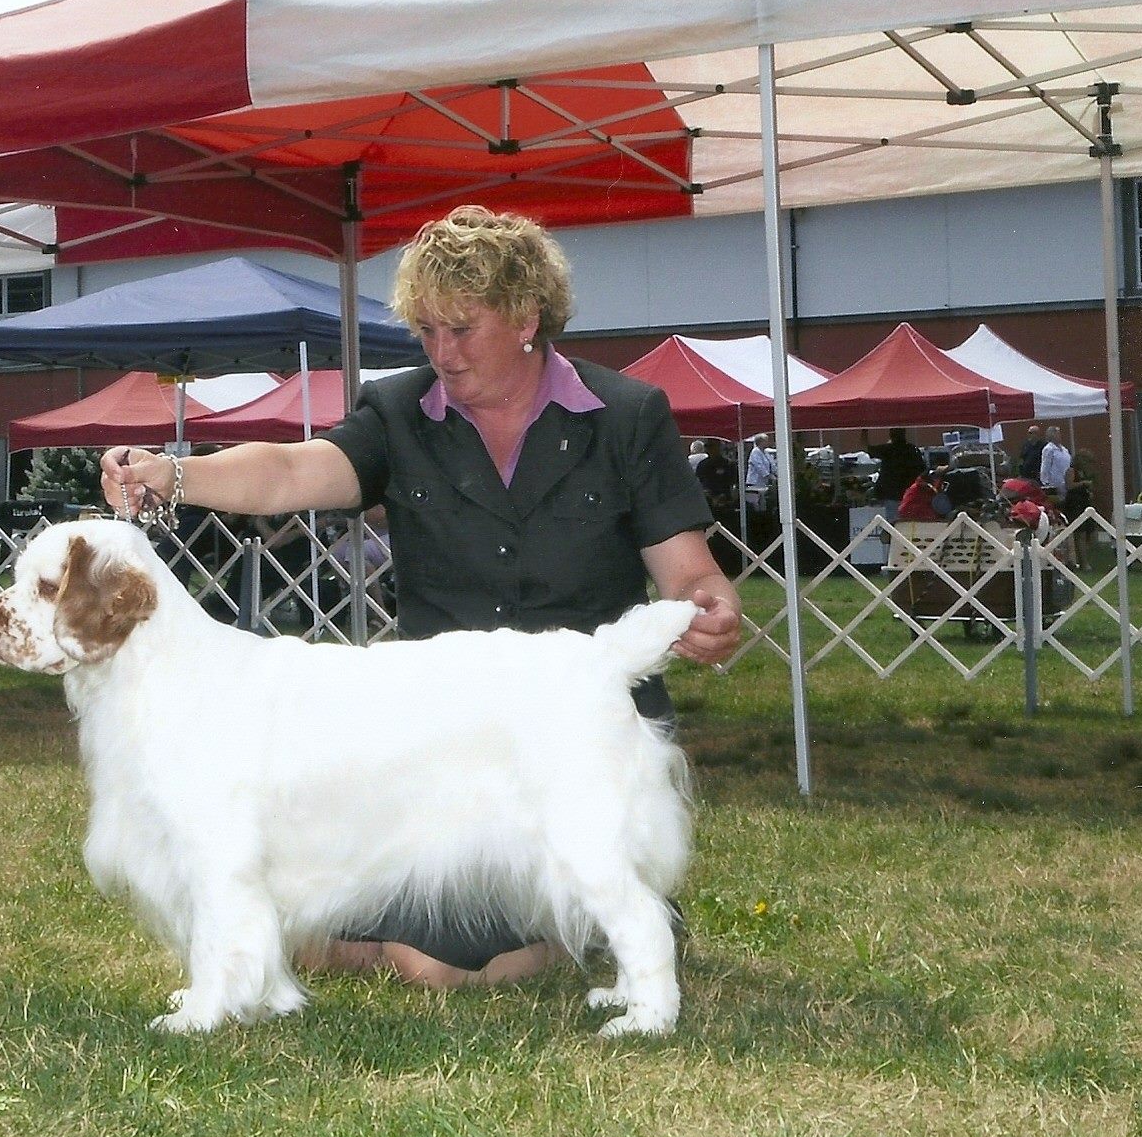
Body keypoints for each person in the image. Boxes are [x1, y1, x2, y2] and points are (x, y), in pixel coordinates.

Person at [103, 205, 741, 992]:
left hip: (567, 733)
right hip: (431, 748)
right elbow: (291, 472)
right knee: (304, 922)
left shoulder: (626, 416)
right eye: (427, 331)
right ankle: (552, 911)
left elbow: (690, 574)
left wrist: (708, 608)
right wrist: (177, 473)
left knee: (428, 964)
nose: (442, 352)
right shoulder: (399, 412)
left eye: (462, 329)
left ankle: (610, 909)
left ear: (525, 318)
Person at [869, 428, 925, 522]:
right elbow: (922, 470)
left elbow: (866, 448)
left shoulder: (888, 449)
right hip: (909, 493)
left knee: (893, 524)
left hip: (892, 493)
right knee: (908, 523)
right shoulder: (912, 449)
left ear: (891, 435)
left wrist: (864, 430)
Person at [695, 439, 738, 516]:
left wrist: (729, 496)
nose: (709, 449)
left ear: (719, 447)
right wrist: (711, 497)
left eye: (711, 446)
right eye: (707, 446)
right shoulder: (702, 465)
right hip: (709, 503)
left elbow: (735, 483)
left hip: (727, 500)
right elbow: (699, 483)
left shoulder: (728, 464)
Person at [1039, 426, 1071, 499]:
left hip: (1066, 482)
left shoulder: (1064, 449)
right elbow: (1045, 466)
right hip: (1054, 483)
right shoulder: (1048, 449)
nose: (1059, 436)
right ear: (1051, 435)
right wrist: (1045, 482)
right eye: (1057, 434)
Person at [744, 433, 774, 511]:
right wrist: (769, 476)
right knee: (755, 503)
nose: (768, 442)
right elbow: (759, 466)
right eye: (766, 441)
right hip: (754, 482)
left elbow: (772, 465)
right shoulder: (755, 452)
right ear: (761, 442)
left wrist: (777, 474)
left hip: (763, 483)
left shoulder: (765, 452)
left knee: (763, 501)